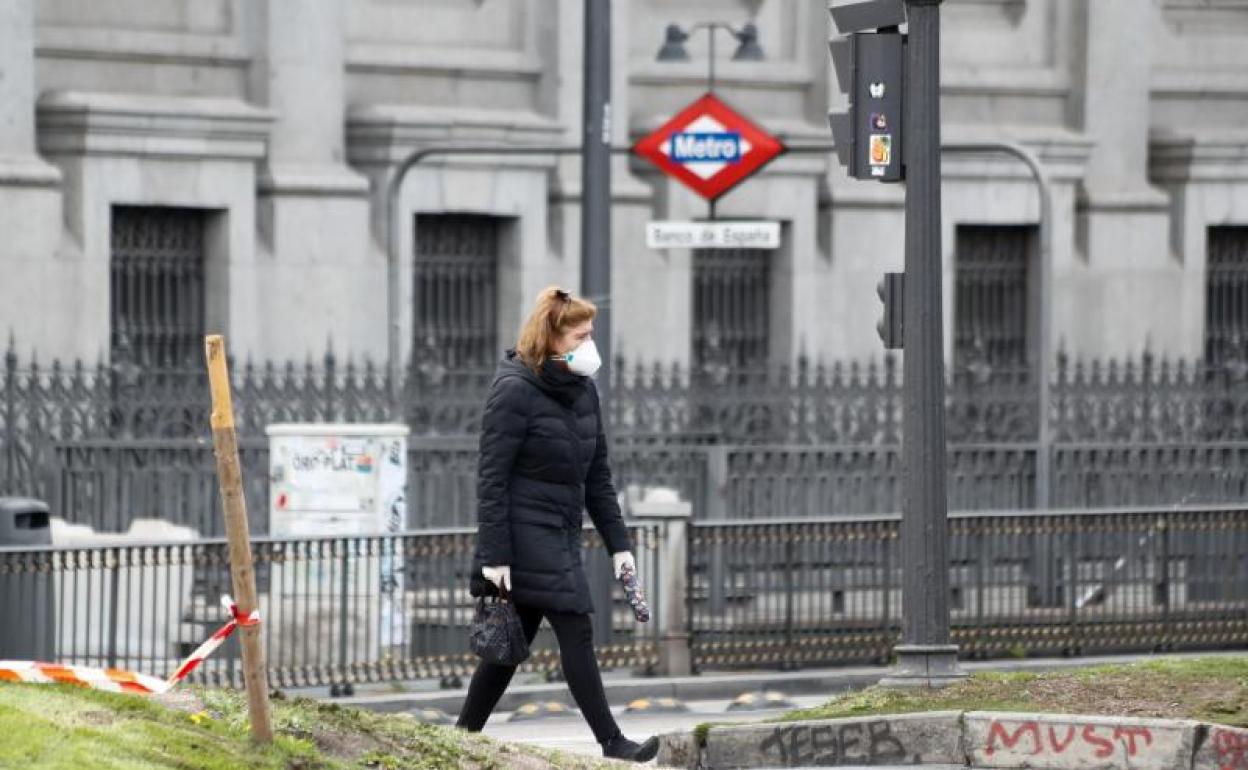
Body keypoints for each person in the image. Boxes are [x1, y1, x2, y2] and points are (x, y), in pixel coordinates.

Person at [456, 286, 659, 763]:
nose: (590, 344)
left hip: (559, 532)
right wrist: (494, 557)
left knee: (508, 647)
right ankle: (611, 741)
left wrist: (620, 547)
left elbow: (598, 479)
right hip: (525, 537)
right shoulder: (513, 390)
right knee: (576, 627)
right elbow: (491, 480)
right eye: (582, 334)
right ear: (552, 337)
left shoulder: (582, 392)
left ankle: (462, 735)